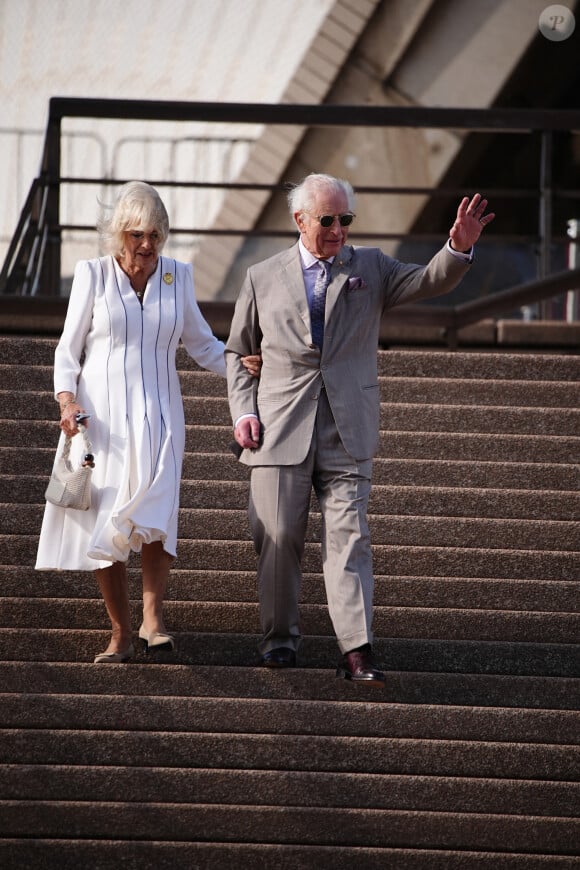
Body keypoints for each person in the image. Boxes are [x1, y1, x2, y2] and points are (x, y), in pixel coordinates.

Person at [226, 172, 494, 685]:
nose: (338, 230)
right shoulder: (262, 275)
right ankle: (279, 641)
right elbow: (239, 351)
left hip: (348, 425)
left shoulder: (369, 265)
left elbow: (429, 280)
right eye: (327, 220)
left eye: (345, 219)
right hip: (279, 426)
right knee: (277, 535)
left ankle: (356, 650)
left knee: (349, 539)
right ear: (299, 220)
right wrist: (244, 410)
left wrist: (457, 248)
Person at [36, 180, 260, 663]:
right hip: (103, 422)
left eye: (155, 235)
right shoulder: (93, 274)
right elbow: (67, 349)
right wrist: (66, 402)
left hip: (162, 417)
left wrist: (240, 363)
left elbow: (202, 344)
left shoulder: (178, 275)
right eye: (137, 234)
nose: (146, 245)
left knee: (158, 513)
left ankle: (153, 620)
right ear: (120, 233)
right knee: (110, 516)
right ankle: (120, 632)